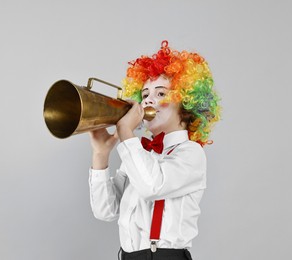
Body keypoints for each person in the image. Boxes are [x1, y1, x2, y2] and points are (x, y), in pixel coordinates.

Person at [88, 41, 220, 260]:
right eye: (145, 94)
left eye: (160, 94)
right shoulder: (139, 154)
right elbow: (106, 211)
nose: (148, 99)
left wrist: (125, 132)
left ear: (186, 103)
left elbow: (152, 185)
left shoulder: (191, 153)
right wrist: (101, 155)